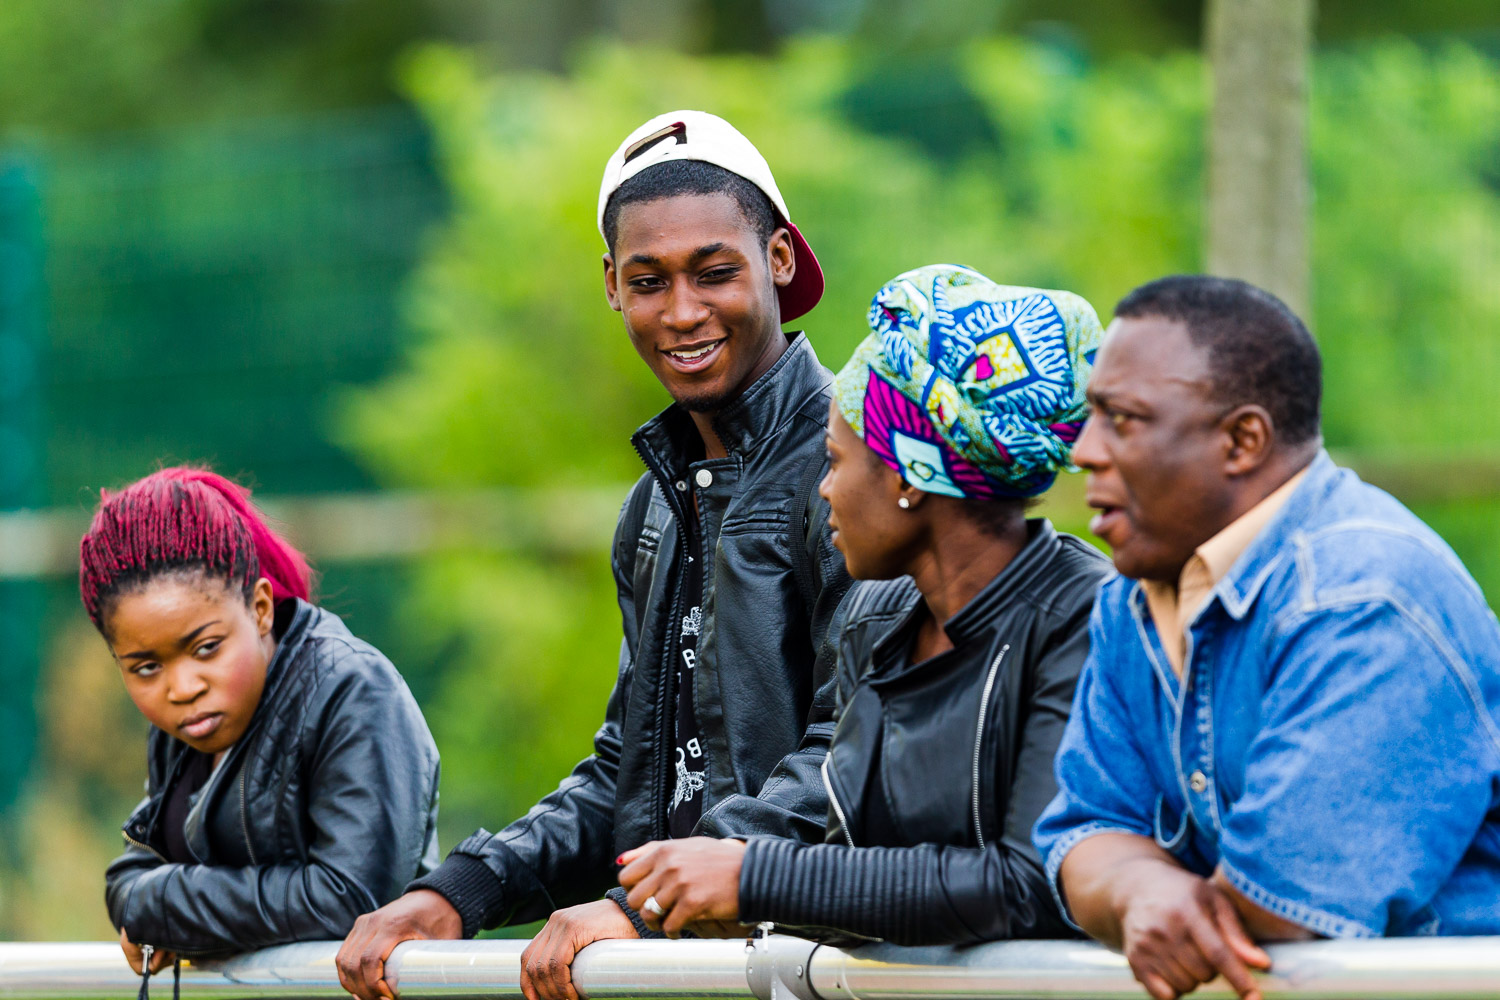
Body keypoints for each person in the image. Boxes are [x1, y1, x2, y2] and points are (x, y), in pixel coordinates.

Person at [338, 110, 852, 1000]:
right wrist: (465, 889)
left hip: (821, 973)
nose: (683, 311)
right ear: (612, 286)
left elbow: (855, 754)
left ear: (779, 258)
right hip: (684, 976)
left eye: (715, 271)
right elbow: (630, 769)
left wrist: (641, 906)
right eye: (649, 280)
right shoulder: (654, 507)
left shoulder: (859, 473)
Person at [1033, 275, 1500, 1000]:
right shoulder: (1133, 598)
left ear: (1243, 440)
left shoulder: (1363, 596)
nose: (1083, 451)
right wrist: (1138, 894)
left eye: (1121, 420)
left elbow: (1277, 908)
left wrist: (1138, 888)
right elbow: (1079, 833)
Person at [614, 264, 1111, 943]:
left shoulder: (1085, 619)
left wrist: (752, 876)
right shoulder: (878, 629)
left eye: (837, 461)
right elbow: (854, 865)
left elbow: (1026, 882)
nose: (825, 491)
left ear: (909, 475)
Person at [85, 467, 440, 972]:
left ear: (260, 608)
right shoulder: (192, 722)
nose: (182, 687)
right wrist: (165, 908)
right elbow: (132, 878)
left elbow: (353, 898)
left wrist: (171, 910)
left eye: (206, 648)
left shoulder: (352, 689)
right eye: (146, 667)